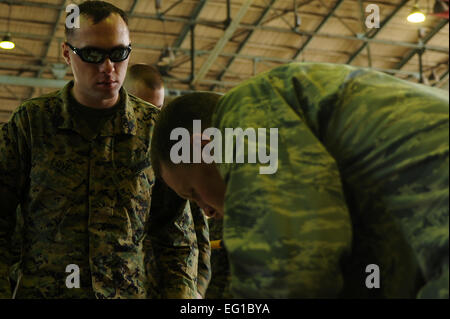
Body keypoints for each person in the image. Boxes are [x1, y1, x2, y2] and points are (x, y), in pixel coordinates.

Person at [149, 62, 449, 298]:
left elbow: (287, 270)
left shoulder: (245, 113)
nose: (206, 211)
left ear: (206, 145)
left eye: (193, 193)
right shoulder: (290, 112)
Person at [0, 1, 198, 298]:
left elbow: (174, 237)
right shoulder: (32, 123)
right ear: (67, 53)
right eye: (92, 55)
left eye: (119, 54)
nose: (109, 68)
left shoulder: (154, 130)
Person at [123, 63, 212, 298]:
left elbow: (197, 238)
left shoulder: (174, 156)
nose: (152, 119)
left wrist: (195, 292)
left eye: (158, 109)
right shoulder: (107, 154)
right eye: (143, 108)